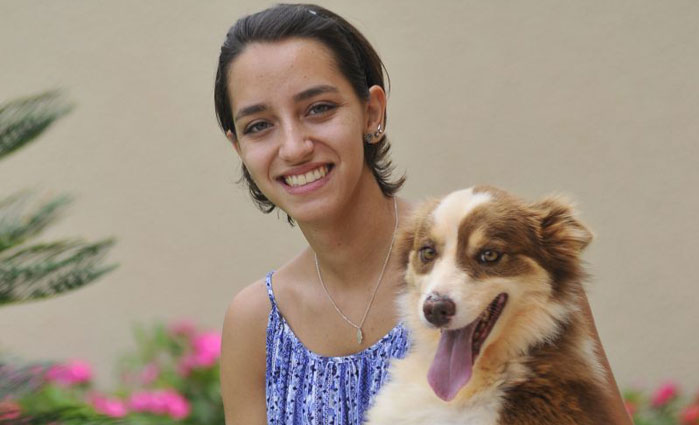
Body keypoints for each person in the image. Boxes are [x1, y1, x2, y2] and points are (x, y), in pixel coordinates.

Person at [214, 4, 632, 425]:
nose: (293, 147)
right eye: (258, 125)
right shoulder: (255, 321)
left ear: (371, 112)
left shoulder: (511, 271)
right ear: (239, 148)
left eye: (319, 108)